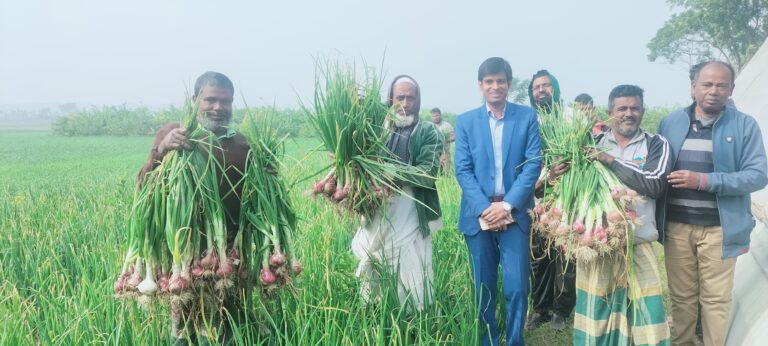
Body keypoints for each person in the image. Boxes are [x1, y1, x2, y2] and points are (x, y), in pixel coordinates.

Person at [657, 61, 768, 346]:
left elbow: (758, 176)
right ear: (693, 87)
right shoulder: (671, 122)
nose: (714, 91)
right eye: (707, 84)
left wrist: (705, 181)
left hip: (720, 228)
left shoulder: (744, 126)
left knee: (715, 299)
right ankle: (683, 342)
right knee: (682, 297)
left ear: (731, 88)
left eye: (722, 85)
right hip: (677, 227)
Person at [138, 71, 251, 345]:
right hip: (184, 253)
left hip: (227, 254)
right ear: (194, 99)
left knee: (228, 324)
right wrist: (162, 150)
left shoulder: (241, 144)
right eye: (210, 99)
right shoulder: (174, 134)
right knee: (183, 325)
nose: (218, 107)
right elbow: (143, 186)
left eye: (225, 101)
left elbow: (254, 198)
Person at [567, 85, 672, 345]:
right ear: (609, 112)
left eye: (635, 108)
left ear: (642, 111)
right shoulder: (591, 144)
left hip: (638, 241)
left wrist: (610, 161)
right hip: (599, 244)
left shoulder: (655, 144)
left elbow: (655, 185)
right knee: (598, 314)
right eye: (622, 108)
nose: (629, 113)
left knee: (647, 313)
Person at [454, 57, 541, 346]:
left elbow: (532, 165)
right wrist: (485, 208)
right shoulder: (466, 121)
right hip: (478, 217)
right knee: (484, 288)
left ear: (508, 84)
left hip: (513, 214)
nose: (495, 86)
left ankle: (516, 340)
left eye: (500, 81)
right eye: (489, 81)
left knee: (517, 287)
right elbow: (463, 170)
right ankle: (488, 340)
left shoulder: (526, 117)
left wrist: (506, 206)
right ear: (480, 86)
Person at [351, 75, 444, 312]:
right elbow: (358, 160)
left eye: (410, 98)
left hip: (412, 209)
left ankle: (413, 318)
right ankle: (374, 314)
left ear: (418, 100)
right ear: (390, 99)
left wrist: (392, 173)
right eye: (399, 97)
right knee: (373, 260)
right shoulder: (376, 130)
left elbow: (428, 173)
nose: (404, 103)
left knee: (410, 266)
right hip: (379, 208)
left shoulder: (428, 132)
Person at [526, 69, 577, 331]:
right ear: (531, 93)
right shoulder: (527, 121)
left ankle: (562, 310)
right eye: (536, 87)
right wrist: (542, 183)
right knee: (539, 257)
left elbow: (582, 156)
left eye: (546, 85)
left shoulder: (570, 118)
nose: (541, 90)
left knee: (566, 257)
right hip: (538, 199)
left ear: (555, 89)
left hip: (567, 200)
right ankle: (540, 309)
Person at [431, 107, 455, 175]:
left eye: (437, 115)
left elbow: (454, 136)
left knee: (445, 174)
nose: (435, 117)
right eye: (433, 116)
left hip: (445, 154)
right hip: (434, 155)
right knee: (436, 175)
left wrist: (445, 139)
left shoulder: (447, 125)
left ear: (440, 115)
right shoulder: (430, 126)